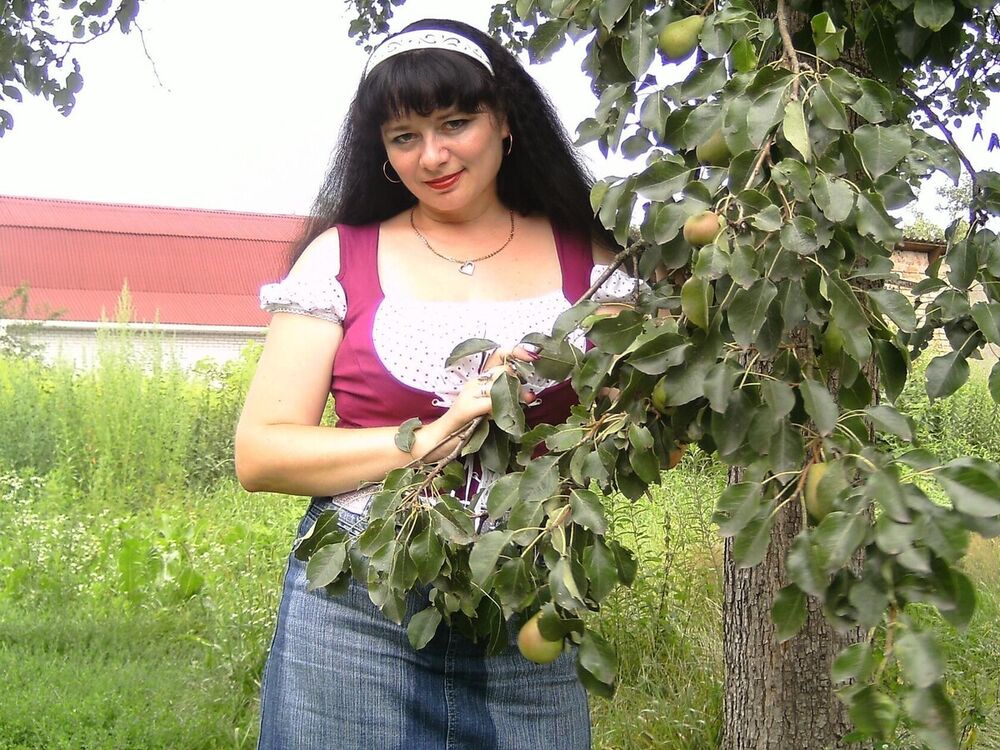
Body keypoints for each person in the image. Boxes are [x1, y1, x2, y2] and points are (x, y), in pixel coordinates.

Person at [235, 17, 641, 750]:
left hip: (525, 593)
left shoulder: (593, 260)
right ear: (382, 151)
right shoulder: (340, 258)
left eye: (456, 123)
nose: (433, 155)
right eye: (405, 136)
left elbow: (642, 436)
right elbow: (261, 454)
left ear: (505, 120)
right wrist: (425, 441)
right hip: (359, 596)